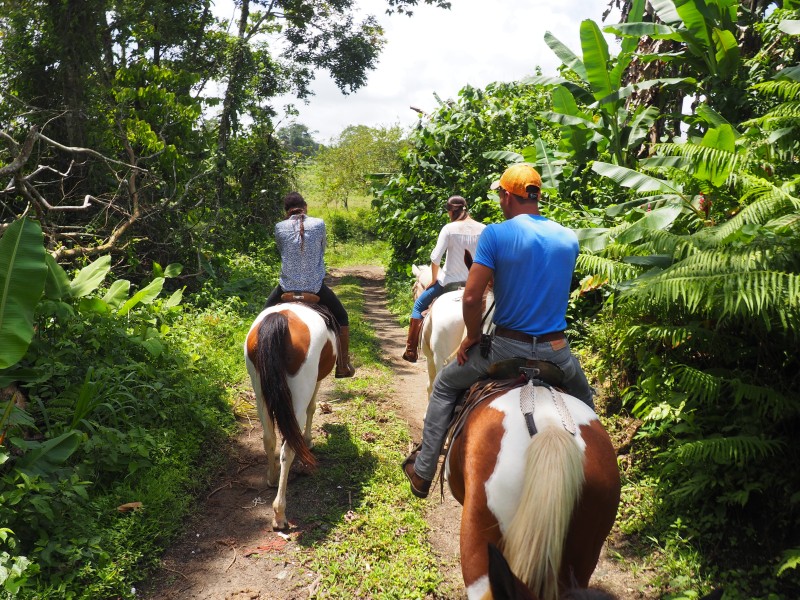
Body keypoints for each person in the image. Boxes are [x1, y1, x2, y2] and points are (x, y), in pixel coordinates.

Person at [402, 164, 594, 498]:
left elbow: (474, 296)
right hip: (557, 353)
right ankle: (594, 474)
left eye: (500, 194)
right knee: (587, 405)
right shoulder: (567, 237)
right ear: (537, 195)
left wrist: (473, 336)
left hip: (506, 349)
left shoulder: (496, 234)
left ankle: (423, 471)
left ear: (507, 196)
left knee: (445, 386)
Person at [264, 191, 355, 378]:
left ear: (286, 211)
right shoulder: (319, 224)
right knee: (342, 316)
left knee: (263, 316)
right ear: (305, 207)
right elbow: (322, 250)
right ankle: (343, 365)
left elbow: (282, 250)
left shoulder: (279, 227)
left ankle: (260, 361)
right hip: (315, 287)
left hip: (286, 287)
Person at [402, 196, 486, 362]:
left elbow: (435, 258)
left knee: (418, 306)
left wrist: (434, 279)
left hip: (448, 284)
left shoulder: (449, 228)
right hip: (477, 287)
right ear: (466, 208)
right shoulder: (483, 228)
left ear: (450, 211)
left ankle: (411, 349)